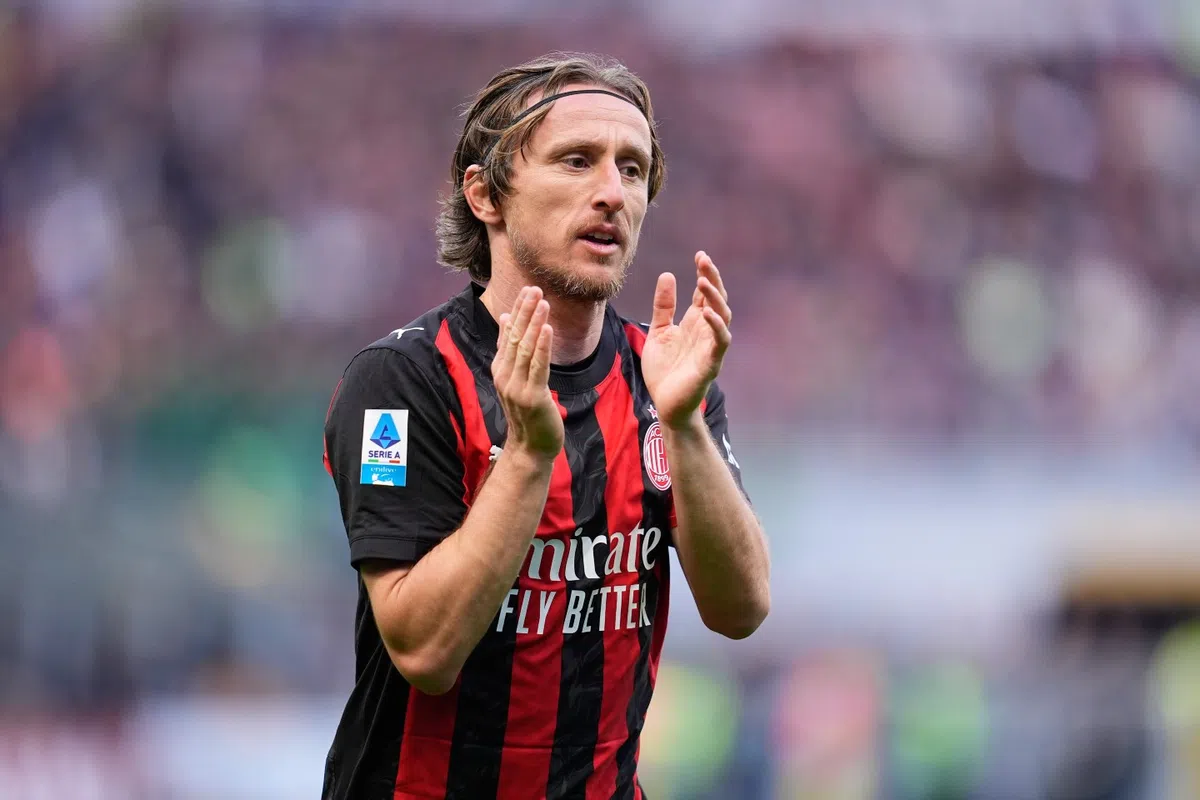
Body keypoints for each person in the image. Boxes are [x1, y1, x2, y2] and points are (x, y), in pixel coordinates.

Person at [320, 52, 771, 800]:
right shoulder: (402, 382)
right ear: (485, 195)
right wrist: (529, 456)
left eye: (633, 169)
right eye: (576, 161)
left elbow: (741, 609)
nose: (612, 193)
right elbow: (425, 650)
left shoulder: (665, 378)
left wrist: (685, 424)